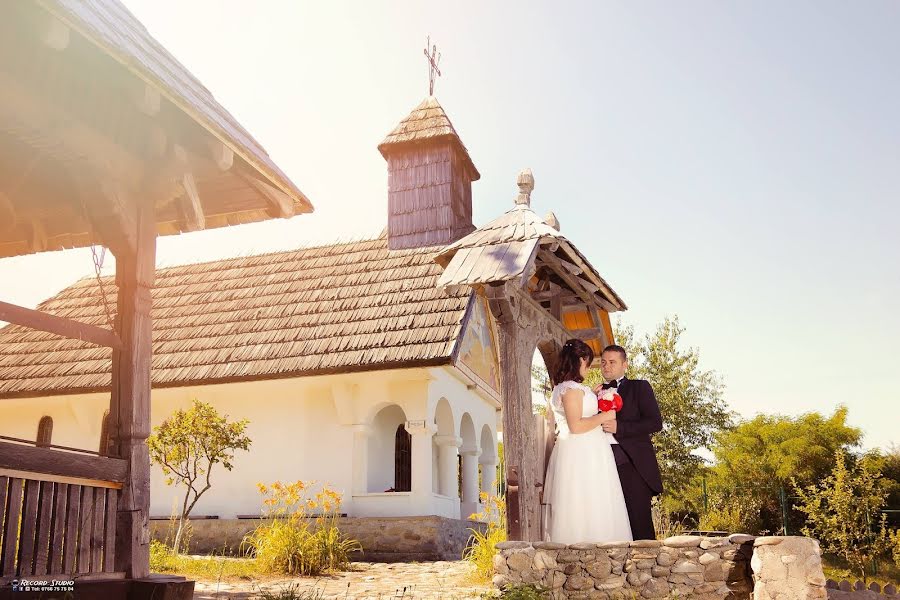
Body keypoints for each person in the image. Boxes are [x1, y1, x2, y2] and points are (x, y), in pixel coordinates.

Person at [543, 338, 632, 543]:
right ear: (580, 360)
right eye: (588, 363)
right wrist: (606, 415)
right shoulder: (572, 389)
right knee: (586, 495)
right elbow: (576, 426)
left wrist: (591, 395)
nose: (588, 368)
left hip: (585, 449)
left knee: (589, 497)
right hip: (582, 450)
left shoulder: (568, 388)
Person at [593, 344, 664, 540]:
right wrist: (591, 399)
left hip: (632, 464)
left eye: (612, 362)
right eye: (604, 362)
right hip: (602, 463)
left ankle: (646, 566)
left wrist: (620, 427)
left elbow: (655, 422)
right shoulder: (595, 392)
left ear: (625, 365)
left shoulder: (640, 387)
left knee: (638, 521)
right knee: (608, 520)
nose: (607, 366)